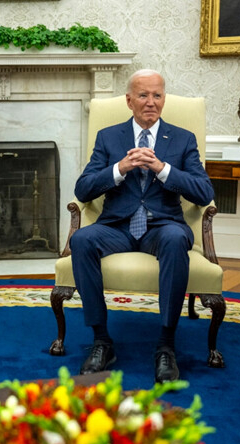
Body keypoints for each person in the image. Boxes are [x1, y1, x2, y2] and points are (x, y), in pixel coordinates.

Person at [69, 69, 214, 383]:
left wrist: (162, 169)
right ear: (129, 100)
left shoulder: (182, 139)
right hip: (116, 228)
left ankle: (166, 345)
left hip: (162, 228)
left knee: (177, 238)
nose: (151, 102)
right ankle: (101, 341)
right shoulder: (109, 137)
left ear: (164, 99)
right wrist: (119, 168)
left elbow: (204, 193)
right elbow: (83, 189)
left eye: (157, 95)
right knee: (81, 240)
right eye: (143, 95)